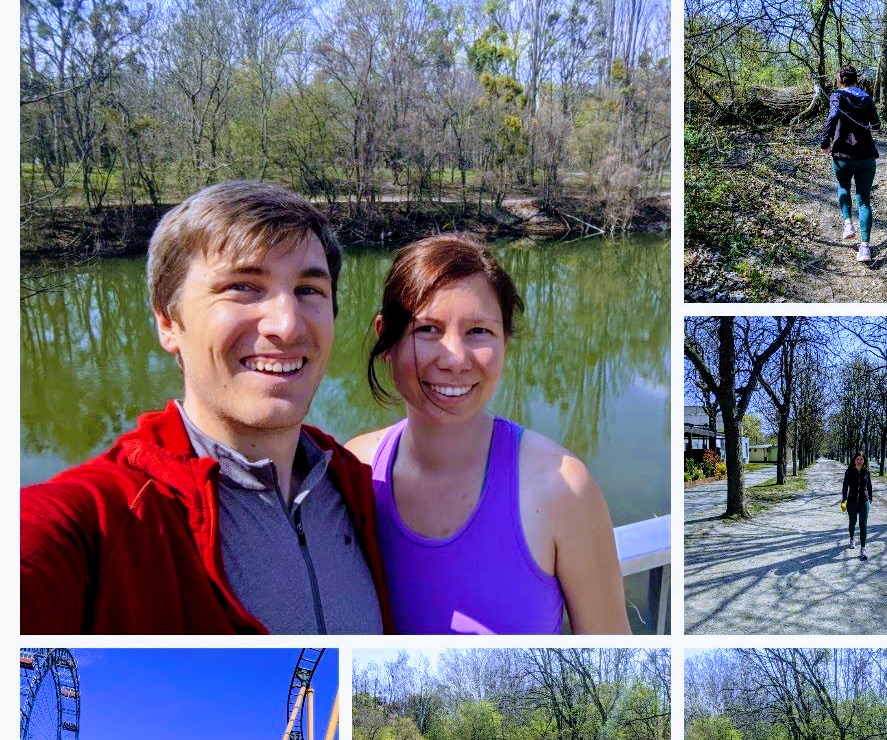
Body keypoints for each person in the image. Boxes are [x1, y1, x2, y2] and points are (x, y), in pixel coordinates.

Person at [21, 180, 393, 634]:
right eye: (242, 286)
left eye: (308, 290)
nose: (286, 324)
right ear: (167, 321)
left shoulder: (356, 488)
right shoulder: (104, 522)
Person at [345, 232, 629, 634]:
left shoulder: (562, 488)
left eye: (478, 331)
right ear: (385, 338)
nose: (455, 358)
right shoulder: (353, 471)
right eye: (427, 329)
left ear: (505, 342)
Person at [819, 64, 882, 265]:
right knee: (864, 201)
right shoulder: (866, 97)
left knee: (843, 187)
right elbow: (876, 123)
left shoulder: (837, 95)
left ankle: (848, 224)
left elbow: (833, 116)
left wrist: (824, 141)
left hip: (842, 155)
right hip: (866, 156)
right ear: (856, 79)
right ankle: (865, 248)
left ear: (840, 80)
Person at [841, 450, 873, 561]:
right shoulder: (849, 471)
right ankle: (851, 538)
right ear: (854, 460)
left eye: (861, 459)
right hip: (852, 502)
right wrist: (844, 499)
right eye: (858, 459)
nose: (859, 461)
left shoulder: (867, 471)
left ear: (864, 460)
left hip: (864, 502)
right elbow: (845, 486)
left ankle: (863, 549)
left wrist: (871, 499)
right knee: (852, 523)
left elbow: (869, 486)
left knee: (863, 525)